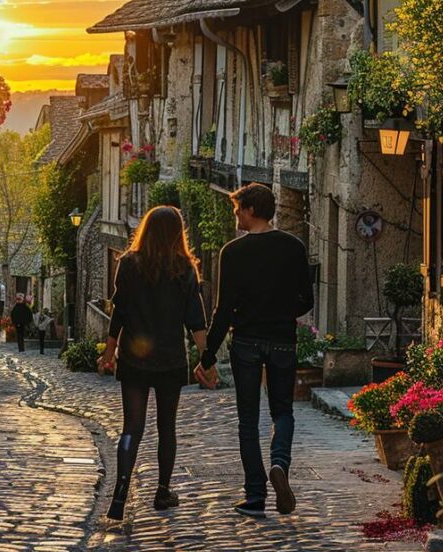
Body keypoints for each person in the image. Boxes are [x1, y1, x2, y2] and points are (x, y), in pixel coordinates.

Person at [194, 183, 313, 518]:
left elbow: (223, 309)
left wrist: (207, 356)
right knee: (283, 411)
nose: (236, 216)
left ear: (249, 209)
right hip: (282, 340)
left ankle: (256, 496)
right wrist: (282, 311)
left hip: (245, 341)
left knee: (247, 421)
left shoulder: (232, 253)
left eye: (237, 210)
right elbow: (307, 299)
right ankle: (279, 463)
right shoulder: (294, 247)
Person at [98, 205, 209, 521]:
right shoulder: (184, 269)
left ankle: (121, 491)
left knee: (131, 426)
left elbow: (118, 314)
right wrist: (207, 359)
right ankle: (162, 490)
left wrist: (109, 354)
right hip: (170, 359)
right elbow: (195, 320)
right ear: (178, 234)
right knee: (167, 428)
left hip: (134, 358)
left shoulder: (129, 265)